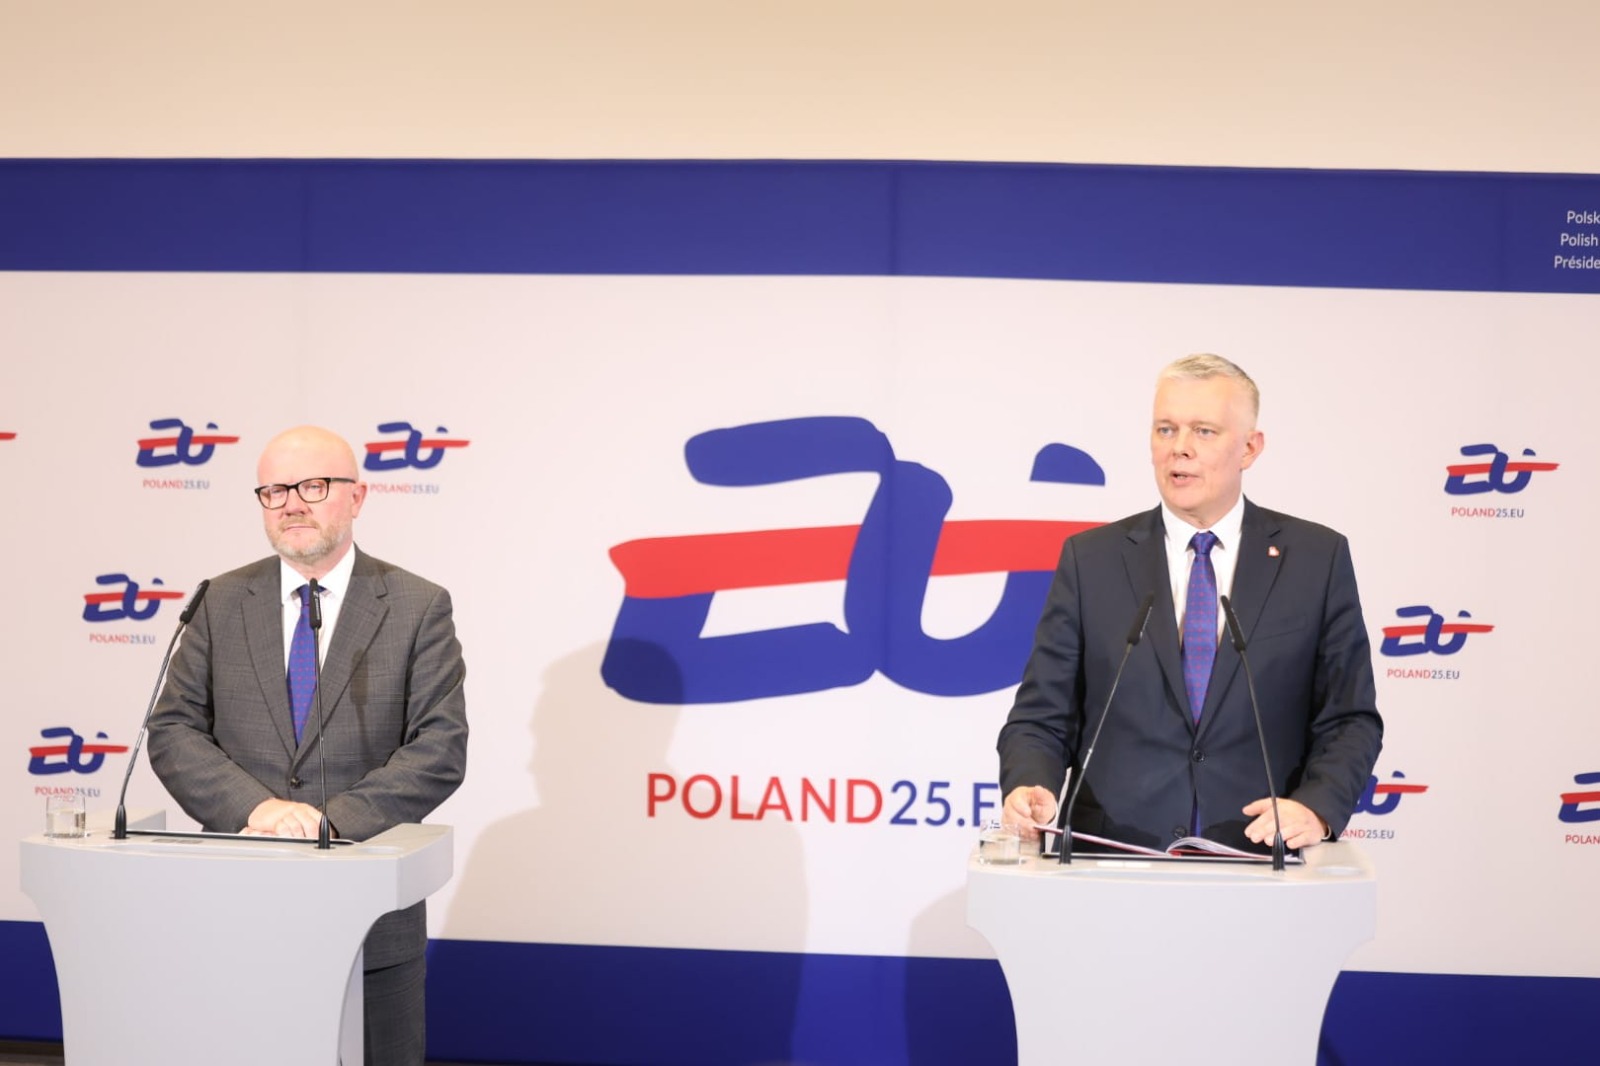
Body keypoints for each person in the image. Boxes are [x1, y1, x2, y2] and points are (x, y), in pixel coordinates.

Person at [148, 425, 468, 1066]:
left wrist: (328, 824)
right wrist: (259, 809)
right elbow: (173, 728)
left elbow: (438, 748)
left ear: (357, 497)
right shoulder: (218, 599)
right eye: (273, 491)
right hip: (238, 912)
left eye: (313, 486)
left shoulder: (417, 605)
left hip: (370, 919)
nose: (291, 504)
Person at [997, 354, 1381, 854]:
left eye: (1203, 431)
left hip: (1257, 855)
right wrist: (1030, 785)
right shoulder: (1091, 560)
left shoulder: (1315, 559)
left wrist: (1315, 807)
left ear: (1249, 448)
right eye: (1166, 429)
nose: (1179, 448)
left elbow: (1349, 718)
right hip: (1113, 859)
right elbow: (1041, 717)